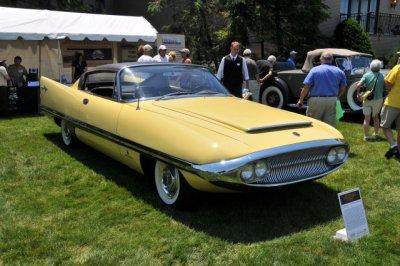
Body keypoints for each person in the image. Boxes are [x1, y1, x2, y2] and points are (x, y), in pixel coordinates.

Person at [297, 52, 347, 128]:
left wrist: (301, 100)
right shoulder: (339, 71)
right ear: (332, 60)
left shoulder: (314, 70)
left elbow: (306, 87)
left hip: (316, 100)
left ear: (321, 59)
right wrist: (337, 96)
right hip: (332, 100)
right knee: (329, 126)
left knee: (313, 124)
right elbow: (343, 87)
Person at [356, 59, 385, 141]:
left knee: (366, 118)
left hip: (367, 98)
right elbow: (384, 87)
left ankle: (366, 136)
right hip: (378, 99)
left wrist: (358, 94)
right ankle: (376, 134)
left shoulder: (366, 75)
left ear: (370, 67)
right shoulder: (382, 76)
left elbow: (358, 85)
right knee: (376, 117)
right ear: (379, 68)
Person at [380, 61, 400, 160]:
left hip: (393, 102)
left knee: (385, 125)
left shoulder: (397, 67)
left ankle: (393, 146)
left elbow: (388, 83)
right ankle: (398, 151)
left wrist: (389, 91)